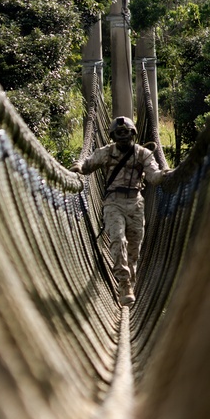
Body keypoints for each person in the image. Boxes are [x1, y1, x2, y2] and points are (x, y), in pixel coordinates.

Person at [77, 116, 167, 307]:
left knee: (134, 250)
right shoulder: (106, 153)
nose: (123, 138)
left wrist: (163, 175)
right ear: (113, 136)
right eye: (119, 134)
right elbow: (86, 166)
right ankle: (124, 282)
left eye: (126, 133)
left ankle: (129, 285)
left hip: (136, 203)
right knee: (118, 239)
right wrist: (78, 167)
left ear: (133, 133)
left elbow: (153, 176)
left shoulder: (143, 154)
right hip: (113, 203)